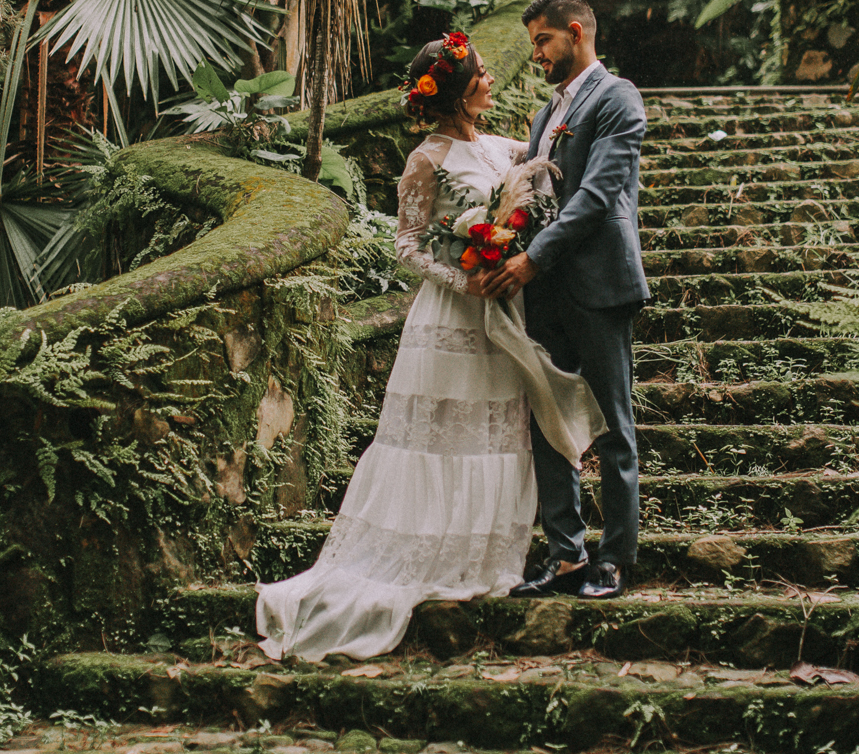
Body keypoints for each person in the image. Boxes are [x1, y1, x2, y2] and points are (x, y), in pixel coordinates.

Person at [256, 34, 604, 661]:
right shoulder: (425, 159)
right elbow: (408, 245)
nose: (491, 79)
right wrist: (464, 280)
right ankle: (425, 551)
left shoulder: (502, 147)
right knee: (443, 437)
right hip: (452, 316)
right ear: (459, 91)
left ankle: (485, 552)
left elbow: (546, 173)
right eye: (482, 73)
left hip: (507, 309)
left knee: (499, 432)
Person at [479, 0, 649, 602]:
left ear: (576, 32)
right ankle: (565, 554)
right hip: (544, 290)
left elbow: (597, 195)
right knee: (548, 424)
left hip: (598, 284)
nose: (538, 55)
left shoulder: (617, 97)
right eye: (534, 45)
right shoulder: (543, 116)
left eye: (543, 41)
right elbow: (533, 195)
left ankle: (615, 558)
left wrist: (532, 258)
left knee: (613, 426)